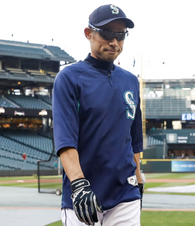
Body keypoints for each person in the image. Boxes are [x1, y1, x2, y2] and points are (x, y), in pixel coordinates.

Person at [52, 4, 142, 226]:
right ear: (88, 33)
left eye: (120, 35)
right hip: (83, 193)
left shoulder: (130, 81)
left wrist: (138, 179)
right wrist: (79, 185)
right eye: (107, 33)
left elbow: (134, 139)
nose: (114, 41)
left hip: (125, 193)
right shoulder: (70, 78)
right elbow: (65, 142)